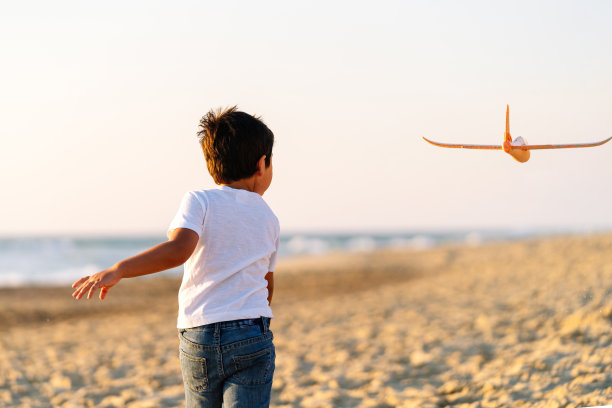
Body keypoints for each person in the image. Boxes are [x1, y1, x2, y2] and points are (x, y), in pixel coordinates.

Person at [72, 106, 279, 408]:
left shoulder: (200, 200)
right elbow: (266, 282)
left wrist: (120, 269)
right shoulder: (268, 216)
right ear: (263, 164)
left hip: (200, 334)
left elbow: (178, 250)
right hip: (251, 332)